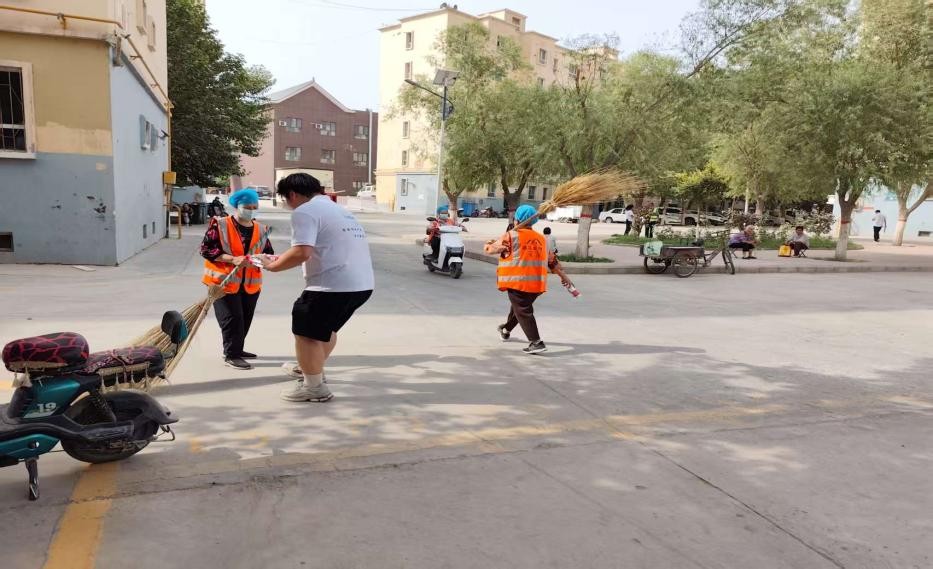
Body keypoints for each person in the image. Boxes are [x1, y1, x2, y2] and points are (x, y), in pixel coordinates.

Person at [258, 173, 374, 403]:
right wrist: (282, 257)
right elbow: (322, 246)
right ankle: (310, 368)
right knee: (324, 331)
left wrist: (272, 265)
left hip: (331, 285)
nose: (287, 204)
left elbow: (302, 252)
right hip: (361, 285)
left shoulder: (305, 211)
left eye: (285, 199)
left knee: (306, 333)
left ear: (292, 194)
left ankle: (314, 387)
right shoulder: (339, 210)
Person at [200, 188, 273, 370]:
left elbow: (268, 253)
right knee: (232, 318)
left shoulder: (261, 229)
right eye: (247, 206)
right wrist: (233, 259)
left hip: (249, 283)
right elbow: (207, 249)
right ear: (237, 206)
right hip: (223, 282)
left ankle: (237, 348)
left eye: (254, 207)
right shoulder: (220, 224)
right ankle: (231, 354)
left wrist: (259, 260)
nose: (251, 210)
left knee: (245, 317)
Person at [484, 205, 570, 355]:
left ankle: (536, 342)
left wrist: (489, 243)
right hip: (536, 285)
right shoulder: (542, 239)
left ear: (517, 219)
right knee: (518, 309)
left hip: (517, 282)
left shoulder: (511, 236)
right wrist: (564, 277)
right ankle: (506, 330)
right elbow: (552, 261)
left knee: (523, 310)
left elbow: (491, 250)